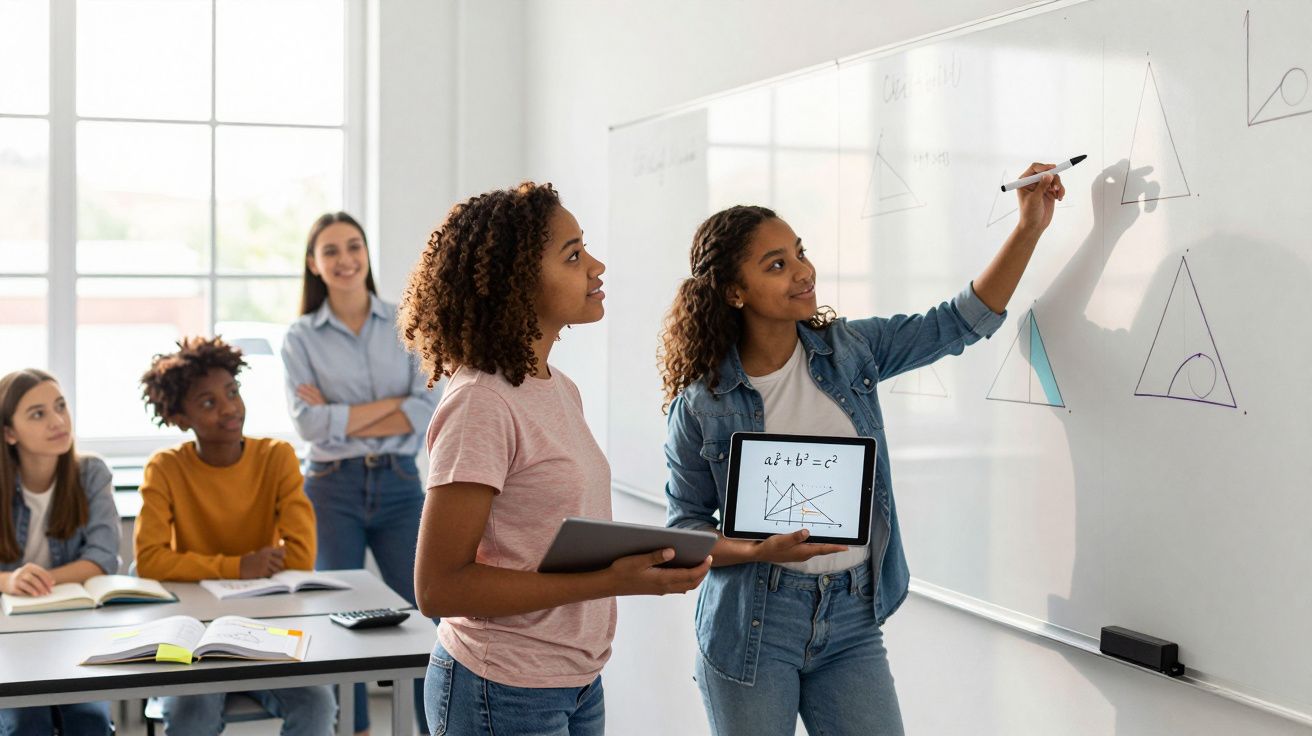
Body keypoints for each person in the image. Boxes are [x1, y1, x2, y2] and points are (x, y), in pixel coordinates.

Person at [660, 165, 1065, 735]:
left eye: (799, 253)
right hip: (753, 621)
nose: (803, 272)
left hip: (851, 616)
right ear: (733, 292)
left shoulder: (850, 352)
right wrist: (756, 550)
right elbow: (687, 532)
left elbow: (960, 323)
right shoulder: (702, 404)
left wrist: (1029, 227)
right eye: (777, 265)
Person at [399, 182, 711, 736]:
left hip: (576, 681)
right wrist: (612, 580)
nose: (595, 265)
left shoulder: (558, 388)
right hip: (501, 689)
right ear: (516, 284)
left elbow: (542, 540)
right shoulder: (481, 402)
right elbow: (439, 588)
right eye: (572, 255)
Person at [281, 211, 437, 735]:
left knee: (425, 610)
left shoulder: (405, 323)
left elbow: (426, 406)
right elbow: (309, 424)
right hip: (331, 489)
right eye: (331, 251)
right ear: (313, 263)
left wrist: (341, 414)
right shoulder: (300, 337)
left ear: (366, 254)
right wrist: (387, 405)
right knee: (338, 618)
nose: (345, 259)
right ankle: (357, 729)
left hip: (399, 484)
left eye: (354, 247)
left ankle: (431, 725)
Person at [136, 336, 335, 736]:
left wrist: (200, 568)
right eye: (208, 403)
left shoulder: (275, 457)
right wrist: (239, 566)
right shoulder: (165, 468)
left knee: (317, 703)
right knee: (192, 710)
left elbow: (299, 557)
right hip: (188, 635)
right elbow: (150, 562)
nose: (229, 408)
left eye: (232, 392)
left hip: (263, 629)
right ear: (179, 417)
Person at [0, 369, 119, 736]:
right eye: (38, 414)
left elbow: (102, 558)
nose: (57, 421)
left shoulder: (91, 473)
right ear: (9, 433)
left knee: (89, 720)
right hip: (8, 636)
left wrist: (41, 580)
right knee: (25, 721)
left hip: (72, 629)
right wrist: (8, 579)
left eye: (60, 407)